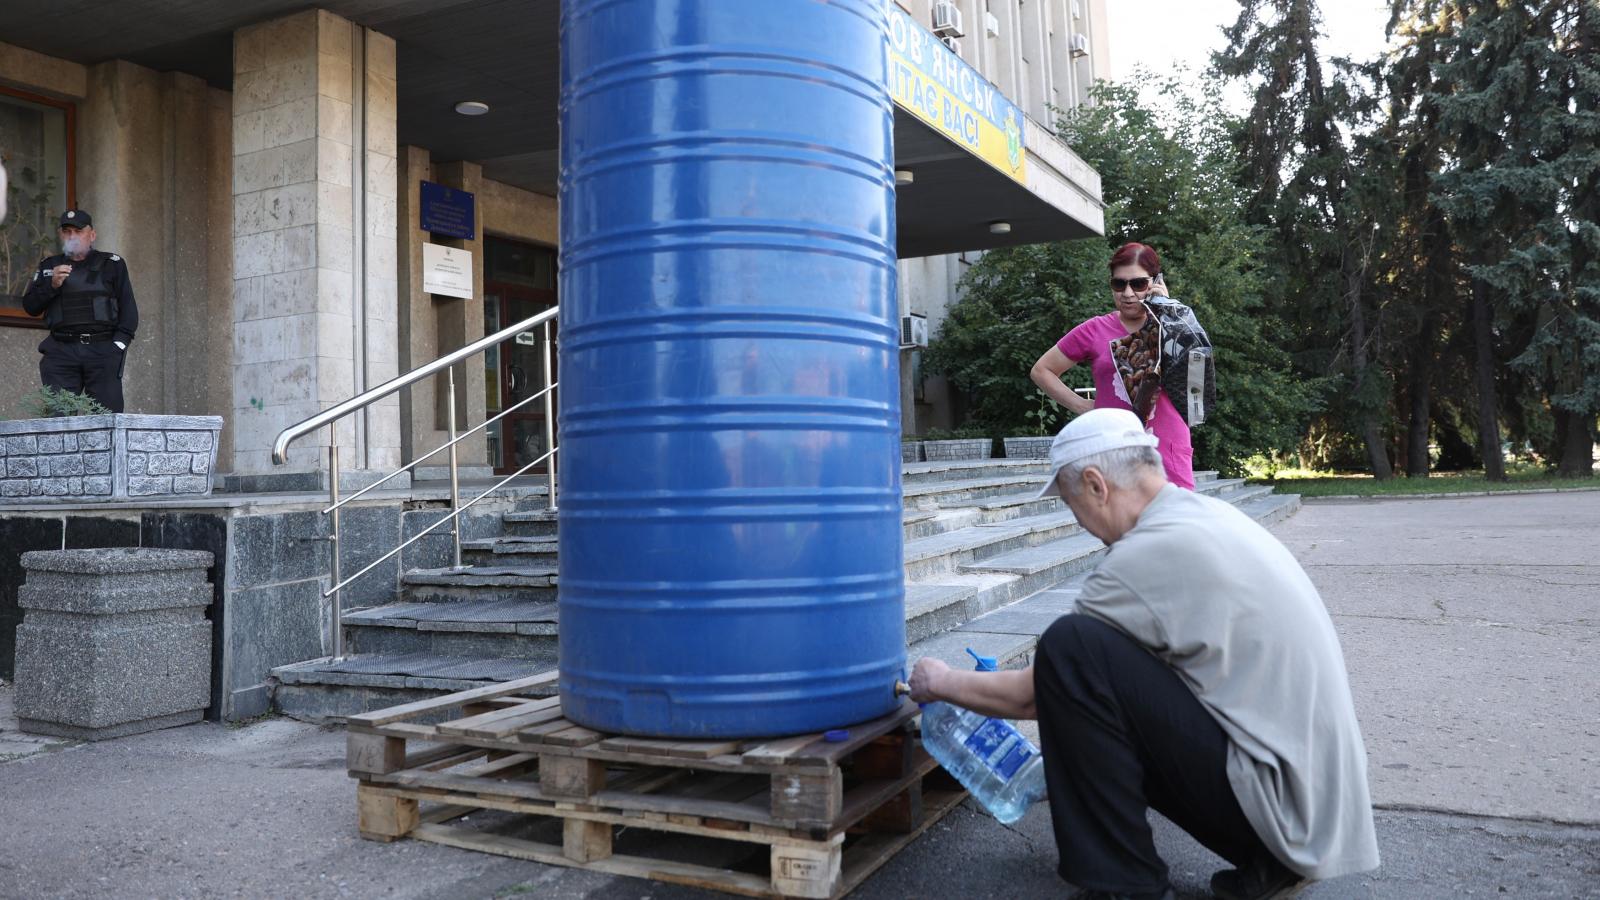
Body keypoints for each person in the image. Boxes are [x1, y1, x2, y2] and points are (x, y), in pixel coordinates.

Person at [909, 408, 1379, 900]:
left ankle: (1125, 884)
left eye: (1073, 506)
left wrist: (940, 681)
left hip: (1285, 813)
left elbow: (1034, 694)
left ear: (1096, 485)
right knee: (1104, 661)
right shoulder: (1205, 517)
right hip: (1313, 807)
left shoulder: (1145, 554)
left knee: (1071, 650)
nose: (1081, 523)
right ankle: (1268, 864)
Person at [1030, 242, 1195, 489]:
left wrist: (1166, 312)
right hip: (1114, 450)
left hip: (1167, 447)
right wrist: (1083, 406)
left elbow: (1194, 377)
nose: (1128, 293)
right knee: (1120, 526)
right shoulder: (1095, 330)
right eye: (1119, 284)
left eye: (1138, 284)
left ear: (1155, 282)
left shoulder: (1176, 324)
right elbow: (1042, 370)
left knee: (1179, 523)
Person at [23, 209, 138, 412]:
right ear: (61, 235)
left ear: (91, 235)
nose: (72, 236)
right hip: (61, 351)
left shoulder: (112, 264)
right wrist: (52, 285)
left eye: (78, 231)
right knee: (60, 419)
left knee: (106, 419)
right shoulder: (50, 266)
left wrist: (117, 347)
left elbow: (128, 310)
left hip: (102, 349)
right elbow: (30, 307)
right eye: (67, 231)